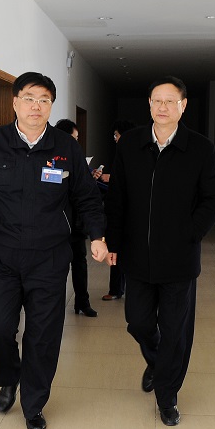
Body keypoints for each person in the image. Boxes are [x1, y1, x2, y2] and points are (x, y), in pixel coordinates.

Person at [0, 72, 108, 429]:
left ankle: (34, 404)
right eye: (28, 98)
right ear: (15, 103)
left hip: (49, 257)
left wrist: (97, 236)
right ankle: (9, 376)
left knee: (43, 335)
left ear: (51, 105)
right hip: (0, 256)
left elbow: (86, 196)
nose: (35, 106)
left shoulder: (65, 148)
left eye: (43, 100)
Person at [104, 76, 215, 426]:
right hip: (137, 256)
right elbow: (117, 197)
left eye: (170, 101)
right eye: (157, 100)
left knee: (175, 331)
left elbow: (214, 197)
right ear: (149, 104)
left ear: (182, 106)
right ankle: (158, 362)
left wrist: (191, 233)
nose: (163, 107)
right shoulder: (130, 143)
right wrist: (113, 242)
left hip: (179, 260)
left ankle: (167, 395)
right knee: (138, 322)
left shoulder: (200, 148)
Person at [55, 118, 98, 318]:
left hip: (76, 222)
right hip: (57, 223)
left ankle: (82, 302)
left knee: (79, 262)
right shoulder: (51, 155)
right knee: (58, 267)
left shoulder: (76, 156)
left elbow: (84, 190)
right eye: (74, 138)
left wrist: (90, 177)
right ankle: (55, 306)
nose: (76, 142)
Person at [94, 119, 135, 301]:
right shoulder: (122, 151)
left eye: (116, 135)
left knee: (125, 249)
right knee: (115, 247)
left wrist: (111, 178)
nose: (115, 138)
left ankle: (122, 288)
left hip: (130, 211)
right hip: (118, 210)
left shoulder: (136, 152)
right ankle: (116, 289)